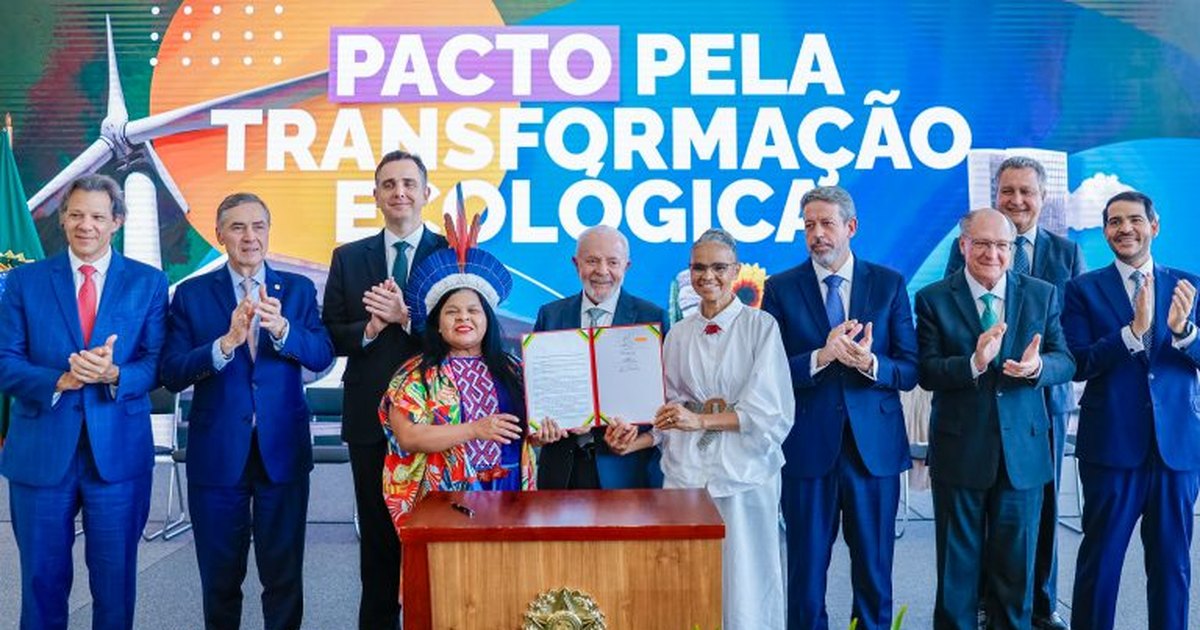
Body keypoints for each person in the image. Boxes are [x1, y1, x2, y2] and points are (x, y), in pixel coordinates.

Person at [0, 174, 168, 630]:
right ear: (63, 218)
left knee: (115, 586)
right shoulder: (23, 282)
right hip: (41, 452)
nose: (85, 225)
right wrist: (60, 379)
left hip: (117, 455)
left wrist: (115, 374)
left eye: (97, 216)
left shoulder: (149, 282)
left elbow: (158, 363)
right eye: (76, 214)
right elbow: (5, 361)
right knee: (41, 582)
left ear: (117, 221)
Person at [160, 193, 334, 629]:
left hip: (283, 451)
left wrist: (285, 330)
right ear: (220, 235)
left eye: (258, 226)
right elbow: (172, 372)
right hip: (217, 454)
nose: (249, 236)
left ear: (269, 232)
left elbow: (322, 355)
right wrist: (224, 345)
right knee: (220, 578)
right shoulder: (191, 295)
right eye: (237, 227)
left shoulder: (297, 289)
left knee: (284, 576)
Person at [605, 228, 793, 629]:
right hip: (686, 475)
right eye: (699, 268)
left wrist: (702, 420)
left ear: (736, 271)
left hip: (744, 474)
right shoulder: (677, 334)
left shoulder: (761, 327)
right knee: (684, 573)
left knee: (746, 578)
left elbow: (771, 412)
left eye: (719, 267)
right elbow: (669, 412)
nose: (708, 276)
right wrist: (635, 442)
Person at [762, 186, 918, 630]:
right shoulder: (780, 289)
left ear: (851, 227)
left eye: (826, 223)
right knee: (806, 573)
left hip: (874, 452)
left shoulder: (888, 284)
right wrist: (822, 356)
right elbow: (769, 372)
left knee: (874, 571)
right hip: (808, 448)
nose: (817, 234)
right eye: (809, 225)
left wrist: (870, 363)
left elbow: (910, 369)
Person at [915, 208, 1074, 630]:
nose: (992, 254)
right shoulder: (932, 298)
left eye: (1002, 245)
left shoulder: (1040, 294)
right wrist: (973, 363)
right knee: (957, 573)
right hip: (960, 450)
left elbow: (1065, 360)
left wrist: (1038, 368)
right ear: (963, 245)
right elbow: (926, 371)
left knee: (1016, 573)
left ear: (1012, 248)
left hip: (1023, 453)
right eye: (982, 244)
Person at [944, 156, 1084, 630]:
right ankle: (987, 603)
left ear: (1043, 198)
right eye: (1008, 191)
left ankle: (1042, 604)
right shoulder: (970, 248)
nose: (1017, 200)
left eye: (1027, 192)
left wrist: (1039, 368)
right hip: (981, 403)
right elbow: (954, 313)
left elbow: (1068, 340)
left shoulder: (1066, 253)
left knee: (1037, 512)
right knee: (985, 512)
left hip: (1043, 404)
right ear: (995, 195)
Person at [321, 150, 447, 629]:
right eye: (389, 184)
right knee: (378, 540)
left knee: (439, 537)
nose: (399, 192)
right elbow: (331, 334)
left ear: (426, 193)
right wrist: (371, 328)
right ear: (375, 195)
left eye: (409, 183)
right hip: (370, 419)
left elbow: (470, 331)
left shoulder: (450, 255)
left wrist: (406, 318)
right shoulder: (349, 257)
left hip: (440, 420)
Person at [1063, 191, 1200, 630]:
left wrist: (1183, 332)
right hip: (1111, 448)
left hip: (1176, 451)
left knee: (1173, 567)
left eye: (1134, 219)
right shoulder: (1082, 290)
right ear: (1105, 232)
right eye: (1115, 221)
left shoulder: (1188, 285)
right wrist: (1131, 333)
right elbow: (1078, 363)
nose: (1125, 229)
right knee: (1100, 565)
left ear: (1153, 226)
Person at [381, 211, 565, 529]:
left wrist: (542, 435)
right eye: (452, 312)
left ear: (487, 320)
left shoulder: (515, 369)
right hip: (447, 497)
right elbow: (408, 436)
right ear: (438, 324)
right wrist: (474, 429)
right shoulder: (415, 375)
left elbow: (528, 435)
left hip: (512, 491)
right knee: (454, 562)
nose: (463, 317)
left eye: (473, 311)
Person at [533, 225, 668, 490]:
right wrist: (542, 425)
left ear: (626, 266)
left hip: (627, 467)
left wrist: (635, 429)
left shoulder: (652, 317)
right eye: (592, 261)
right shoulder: (550, 315)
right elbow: (538, 388)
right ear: (576, 264)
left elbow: (668, 394)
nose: (602, 271)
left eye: (613, 262)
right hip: (561, 468)